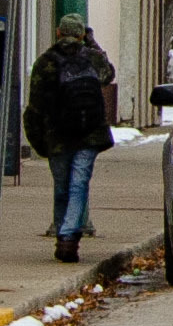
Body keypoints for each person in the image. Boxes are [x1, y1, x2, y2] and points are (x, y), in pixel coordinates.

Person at [27, 16, 121, 267]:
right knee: (79, 184)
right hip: (89, 134)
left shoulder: (45, 62)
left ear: (58, 32)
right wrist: (94, 44)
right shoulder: (91, 58)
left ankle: (64, 235)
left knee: (62, 187)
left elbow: (35, 105)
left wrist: (37, 140)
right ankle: (68, 236)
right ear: (81, 35)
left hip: (57, 136)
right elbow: (108, 74)